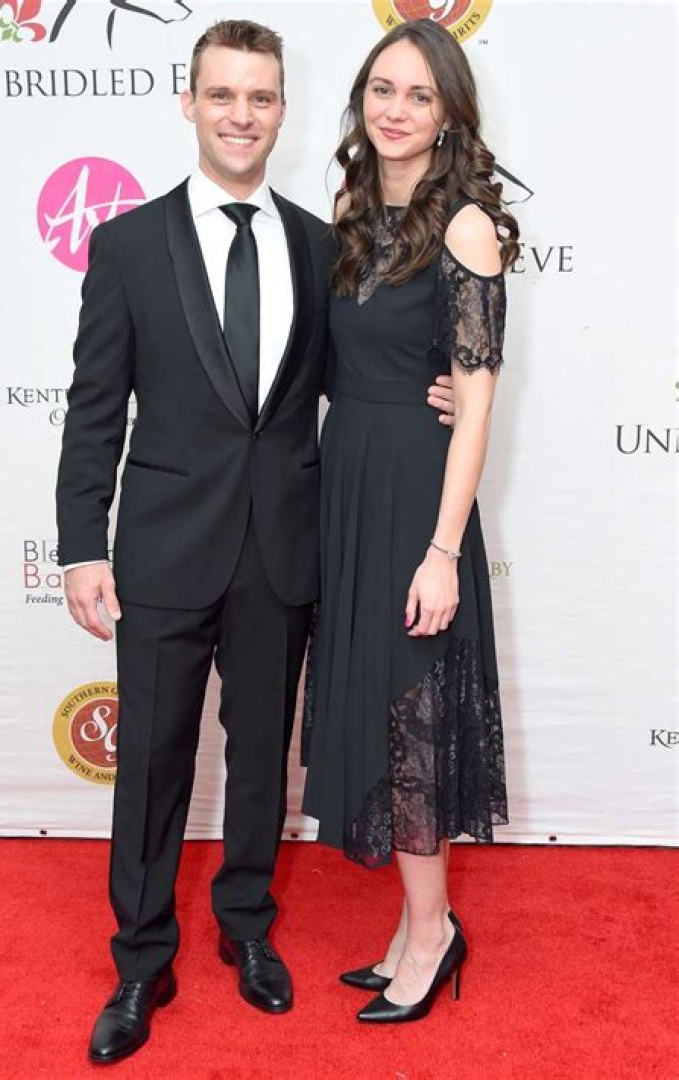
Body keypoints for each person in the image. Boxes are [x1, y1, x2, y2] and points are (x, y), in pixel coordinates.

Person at [56, 16, 458, 1064]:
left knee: (257, 763)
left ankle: (245, 926)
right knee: (151, 762)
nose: (242, 115)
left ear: (282, 111)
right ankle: (141, 960)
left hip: (285, 545)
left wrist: (446, 393)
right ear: (189, 103)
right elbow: (94, 408)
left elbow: (363, 374)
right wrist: (82, 544)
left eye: (262, 97)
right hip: (163, 547)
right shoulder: (128, 245)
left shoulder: (322, 245)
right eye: (223, 94)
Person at [302, 18, 519, 1025]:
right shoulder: (354, 212)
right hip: (349, 482)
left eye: (419, 95)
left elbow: (474, 409)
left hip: (414, 500)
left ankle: (432, 935)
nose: (395, 110)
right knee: (374, 703)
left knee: (410, 711)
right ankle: (412, 924)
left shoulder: (467, 226)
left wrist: (442, 552)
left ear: (448, 115)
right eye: (382, 89)